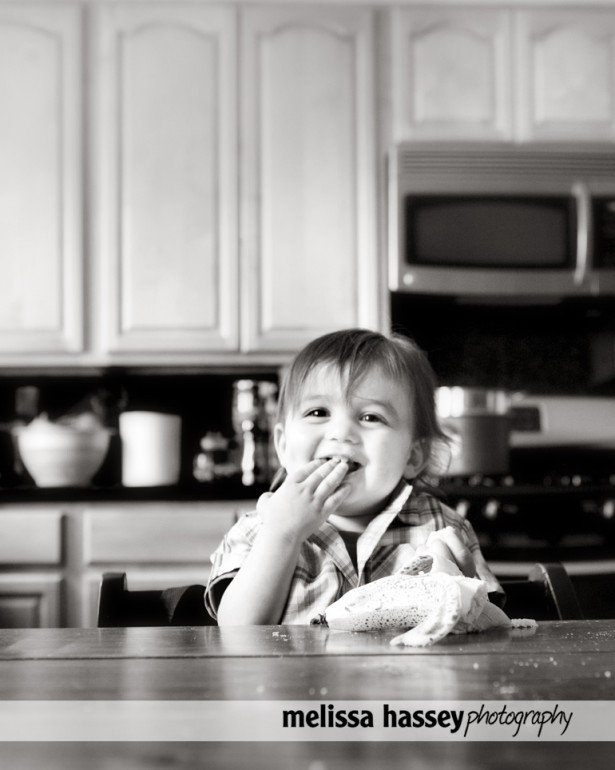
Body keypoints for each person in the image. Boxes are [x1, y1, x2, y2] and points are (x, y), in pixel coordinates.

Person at [205, 328, 501, 625]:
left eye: (370, 417)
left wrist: (463, 590)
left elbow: (488, 628)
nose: (341, 433)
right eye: (318, 412)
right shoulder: (258, 529)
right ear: (282, 444)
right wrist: (282, 533)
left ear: (413, 457)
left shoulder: (441, 527)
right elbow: (235, 632)